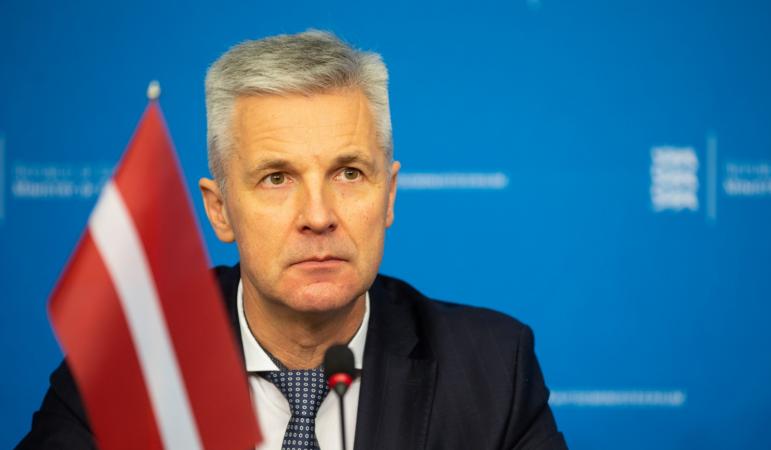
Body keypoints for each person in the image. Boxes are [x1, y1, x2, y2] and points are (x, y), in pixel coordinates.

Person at [18, 30, 567, 450]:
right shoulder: (130, 362)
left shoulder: (492, 370)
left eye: (349, 173)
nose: (319, 216)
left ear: (389, 196)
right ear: (220, 210)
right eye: (277, 178)